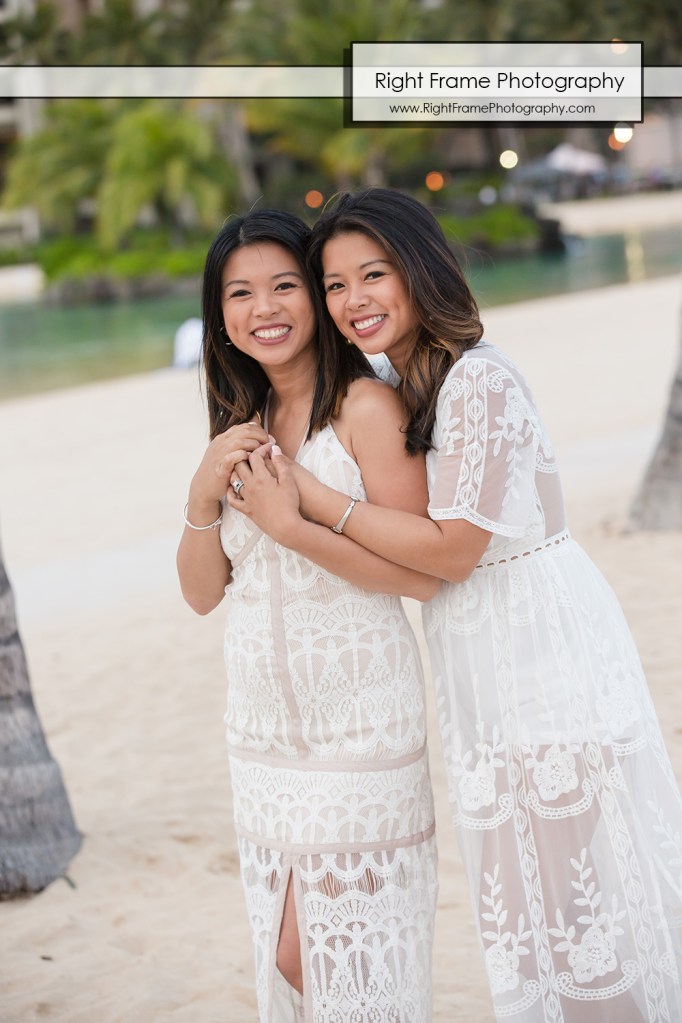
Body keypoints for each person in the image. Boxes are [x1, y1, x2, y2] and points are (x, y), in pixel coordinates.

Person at [229, 190, 682, 1022]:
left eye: (374, 274)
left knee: (576, 912)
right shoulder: (409, 380)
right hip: (481, 662)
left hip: (541, 653)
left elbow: (452, 550)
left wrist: (310, 503)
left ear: (420, 269)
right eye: (335, 284)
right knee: (535, 917)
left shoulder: (478, 378)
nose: (354, 300)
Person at [176, 208, 440, 1023]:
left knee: (322, 947)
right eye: (240, 292)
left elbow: (422, 572)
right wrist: (200, 494)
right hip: (262, 735)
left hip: (360, 725)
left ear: (318, 297)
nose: (265, 308)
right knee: (291, 954)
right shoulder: (241, 424)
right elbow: (202, 592)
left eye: (285, 285)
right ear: (219, 313)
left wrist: (295, 526)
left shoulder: (366, 408)